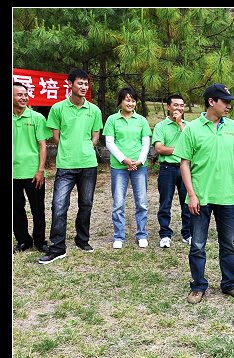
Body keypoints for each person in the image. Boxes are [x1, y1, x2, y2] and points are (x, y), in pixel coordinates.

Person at [174, 83, 234, 304]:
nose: (228, 106)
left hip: (226, 196)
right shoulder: (192, 129)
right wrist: (192, 194)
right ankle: (198, 286)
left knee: (228, 244)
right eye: (225, 102)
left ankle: (230, 284)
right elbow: (184, 163)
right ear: (211, 102)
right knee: (198, 245)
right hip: (201, 197)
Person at [39, 68, 103, 264]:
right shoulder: (58, 108)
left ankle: (82, 239)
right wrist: (69, 149)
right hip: (66, 164)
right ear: (70, 84)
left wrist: (86, 148)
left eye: (86, 84)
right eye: (80, 83)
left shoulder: (94, 110)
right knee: (59, 205)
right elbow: (55, 136)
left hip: (88, 164)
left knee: (86, 204)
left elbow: (95, 136)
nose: (84, 87)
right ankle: (58, 247)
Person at [103, 87, 152, 249]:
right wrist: (124, 159)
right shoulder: (112, 120)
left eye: (133, 100)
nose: (130, 103)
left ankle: (142, 234)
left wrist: (140, 160)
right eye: (127, 100)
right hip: (119, 167)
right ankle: (119, 236)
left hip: (139, 166)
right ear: (120, 101)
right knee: (118, 202)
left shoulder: (141, 120)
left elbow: (145, 143)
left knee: (142, 202)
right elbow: (109, 142)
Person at [13, 82, 52, 254]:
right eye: (19, 94)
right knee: (16, 209)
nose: (23, 98)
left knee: (38, 209)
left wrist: (40, 170)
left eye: (25, 94)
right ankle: (23, 241)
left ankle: (39, 241)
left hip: (33, 172)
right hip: (14, 173)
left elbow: (43, 145)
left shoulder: (37, 118)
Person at [152, 94, 192, 248]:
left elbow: (192, 145)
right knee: (165, 203)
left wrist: (180, 123)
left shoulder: (188, 126)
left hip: (185, 168)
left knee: (187, 202)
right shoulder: (161, 126)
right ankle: (165, 234)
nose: (179, 108)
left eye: (181, 105)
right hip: (167, 168)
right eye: (175, 105)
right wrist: (181, 149)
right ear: (168, 107)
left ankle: (187, 233)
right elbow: (159, 148)